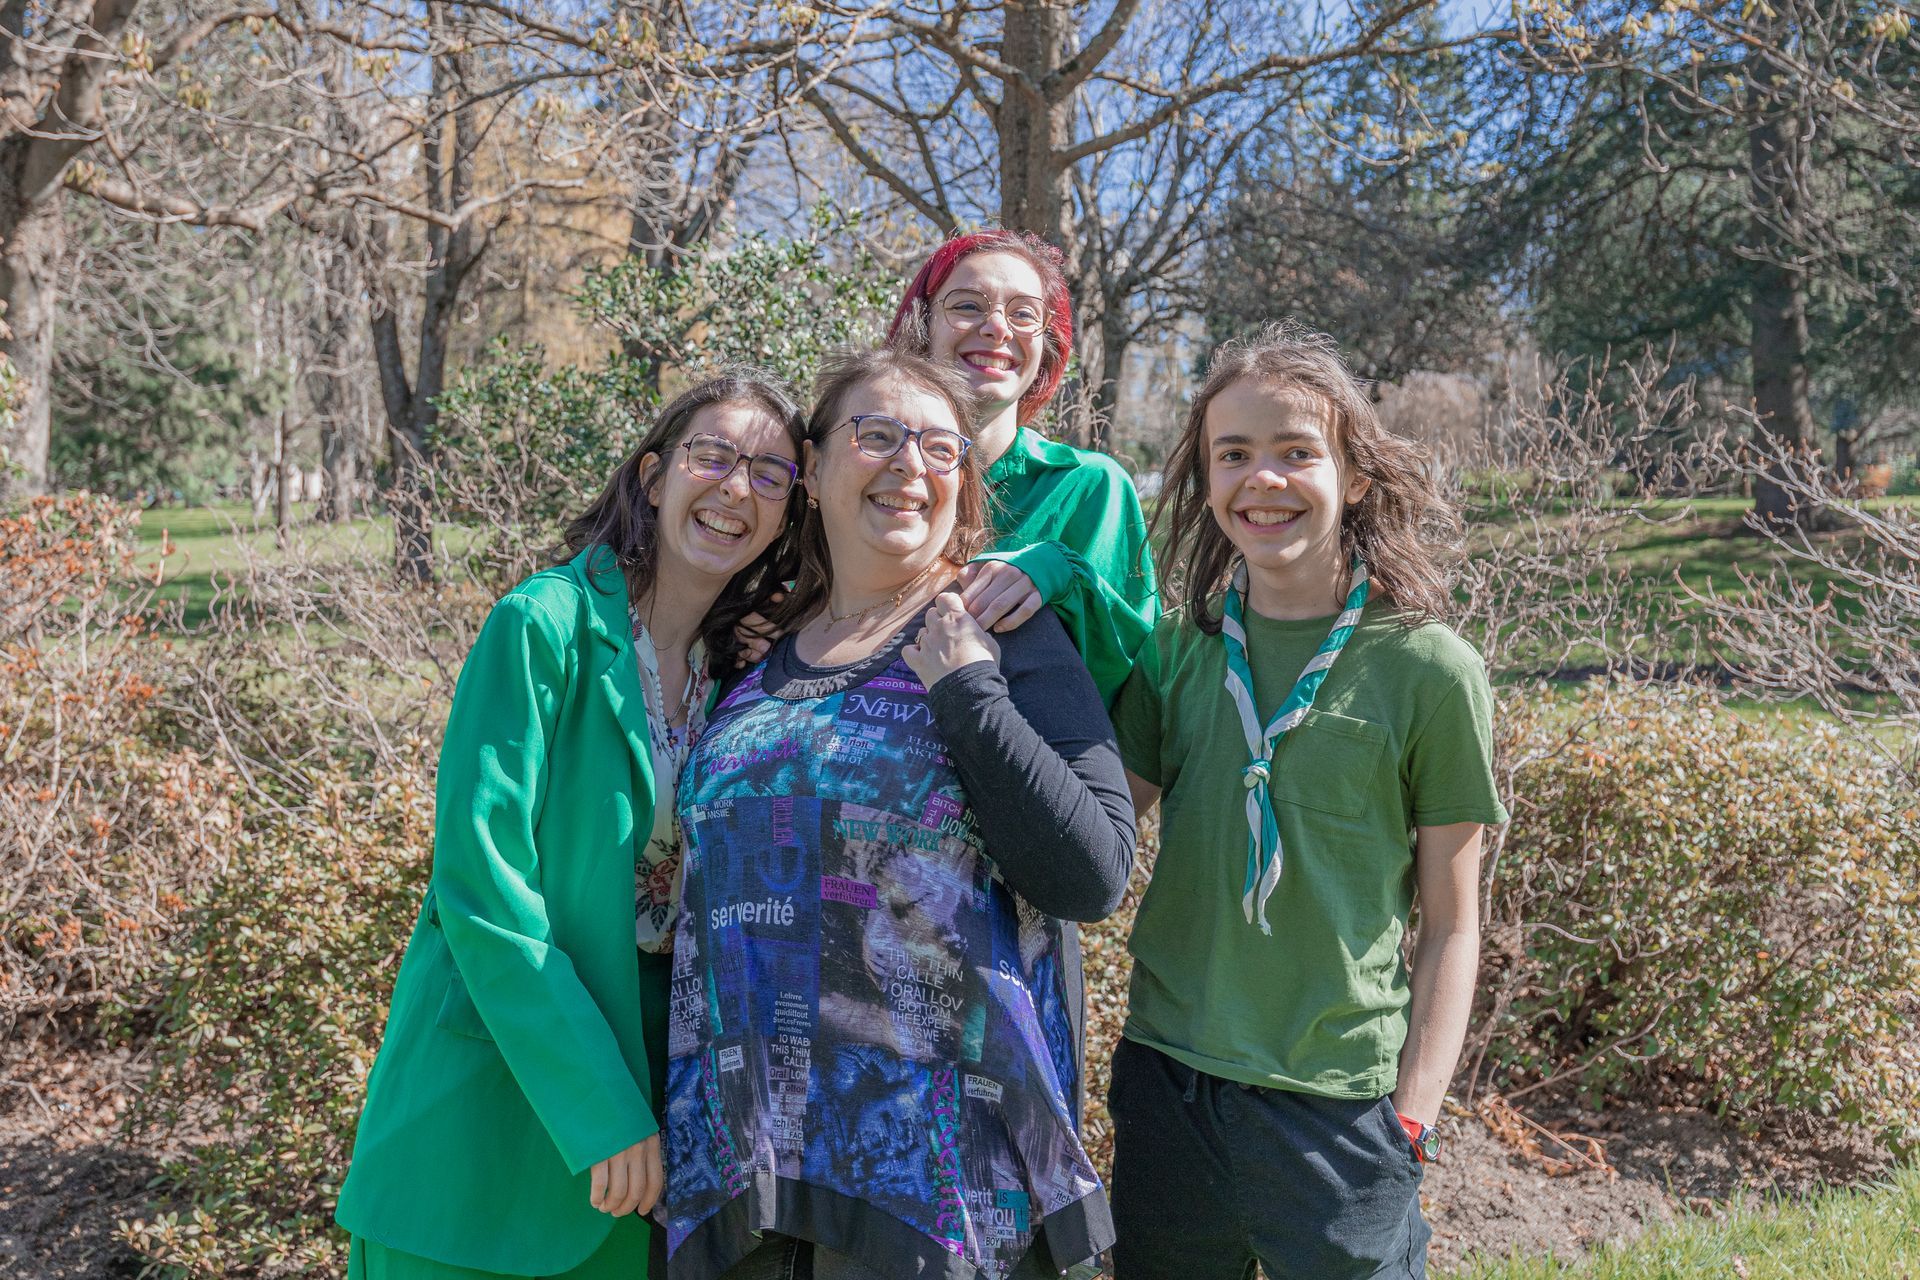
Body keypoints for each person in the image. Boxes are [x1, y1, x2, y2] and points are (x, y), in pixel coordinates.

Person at [662, 347, 1134, 1280]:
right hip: (745, 1172)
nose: (908, 463)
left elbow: (1094, 872)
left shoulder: (1003, 633)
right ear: (816, 469)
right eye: (876, 436)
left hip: (936, 1187)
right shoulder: (751, 659)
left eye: (939, 447)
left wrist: (969, 692)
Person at [334, 372, 810, 1280]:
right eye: (713, 456)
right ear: (652, 475)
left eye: (771, 474)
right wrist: (602, 1110)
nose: (736, 488)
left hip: (649, 1146)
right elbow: (481, 889)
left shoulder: (740, 676)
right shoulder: (540, 626)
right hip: (492, 1128)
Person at [1105, 324, 1508, 1280]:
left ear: (1355, 476)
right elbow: (1101, 836)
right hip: (1169, 1082)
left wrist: (1411, 1117)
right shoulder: (1176, 653)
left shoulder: (1428, 670)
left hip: (1340, 1108)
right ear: (1206, 480)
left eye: (1297, 452)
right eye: (1233, 455)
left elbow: (1455, 924)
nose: (1263, 480)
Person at [887, 229, 1158, 703]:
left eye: (1024, 314)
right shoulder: (869, 471)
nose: (997, 328)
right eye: (968, 305)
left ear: (1047, 346)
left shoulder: (1088, 488)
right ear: (921, 325)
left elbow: (1136, 686)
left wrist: (1065, 576)